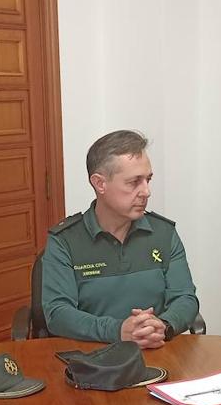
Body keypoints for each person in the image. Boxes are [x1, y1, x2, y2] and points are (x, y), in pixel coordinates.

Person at [40, 130, 199, 348]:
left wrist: (163, 325)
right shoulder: (64, 240)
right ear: (100, 184)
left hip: (158, 351)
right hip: (92, 358)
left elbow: (185, 298)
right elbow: (58, 313)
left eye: (148, 179)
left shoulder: (164, 233)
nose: (146, 191)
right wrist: (117, 331)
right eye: (134, 182)